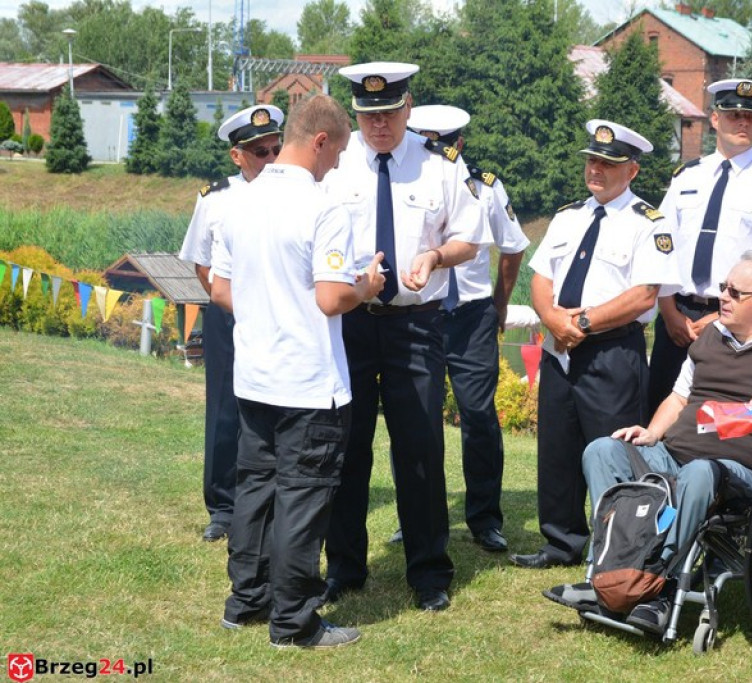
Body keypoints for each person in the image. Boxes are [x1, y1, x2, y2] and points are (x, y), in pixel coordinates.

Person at [543, 252, 752, 635]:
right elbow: (679, 398)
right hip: (678, 454)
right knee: (602, 450)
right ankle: (609, 574)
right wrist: (651, 433)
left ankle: (659, 587)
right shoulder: (711, 336)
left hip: (745, 472)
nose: (722, 298)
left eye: (734, 292)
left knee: (699, 473)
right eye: (722, 288)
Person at [210, 95, 385, 649]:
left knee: (256, 490)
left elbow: (219, 288)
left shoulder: (236, 201)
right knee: (303, 499)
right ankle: (294, 621)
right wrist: (368, 287)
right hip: (308, 381)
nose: (335, 167)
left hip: (255, 376)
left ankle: (246, 601)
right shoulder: (322, 206)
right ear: (320, 141)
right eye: (336, 155)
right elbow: (332, 299)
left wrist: (270, 311)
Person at [321, 62, 489, 612]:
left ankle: (429, 572)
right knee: (347, 447)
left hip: (416, 323)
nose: (380, 127)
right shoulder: (337, 165)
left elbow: (472, 238)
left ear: (408, 107)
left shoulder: (441, 166)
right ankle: (345, 567)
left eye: (390, 114)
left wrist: (437, 255)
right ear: (356, 115)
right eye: (369, 117)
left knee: (419, 448)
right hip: (350, 320)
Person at [509, 119, 682, 570]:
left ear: (632, 171)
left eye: (608, 164)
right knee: (557, 448)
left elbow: (645, 293)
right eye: (592, 161)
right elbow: (540, 276)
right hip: (559, 347)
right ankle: (560, 542)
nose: (596, 170)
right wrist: (551, 319)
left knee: (612, 449)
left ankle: (618, 542)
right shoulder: (568, 216)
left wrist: (581, 322)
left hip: (610, 351)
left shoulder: (650, 224)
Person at [404, 104, 530, 552]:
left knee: (478, 417)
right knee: (418, 419)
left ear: (458, 144)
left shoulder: (485, 188)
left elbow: (513, 247)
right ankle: (420, 514)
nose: (434, 151)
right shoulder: (404, 183)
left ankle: (483, 517)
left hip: (471, 316)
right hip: (421, 313)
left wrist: (499, 302)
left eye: (441, 143)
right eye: (426, 142)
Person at [647, 79, 752, 417]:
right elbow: (662, 250)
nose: (743, 122)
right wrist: (670, 313)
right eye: (734, 115)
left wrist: (720, 317)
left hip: (735, 322)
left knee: (714, 422)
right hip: (677, 317)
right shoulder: (686, 176)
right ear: (715, 119)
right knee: (659, 414)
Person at [178, 104, 284, 543]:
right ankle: (223, 506)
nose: (272, 159)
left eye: (277, 148)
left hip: (280, 316)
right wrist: (234, 304)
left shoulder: (294, 193)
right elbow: (202, 263)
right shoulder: (216, 199)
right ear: (237, 156)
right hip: (230, 315)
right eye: (261, 152)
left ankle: (275, 497)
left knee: (278, 409)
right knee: (225, 410)